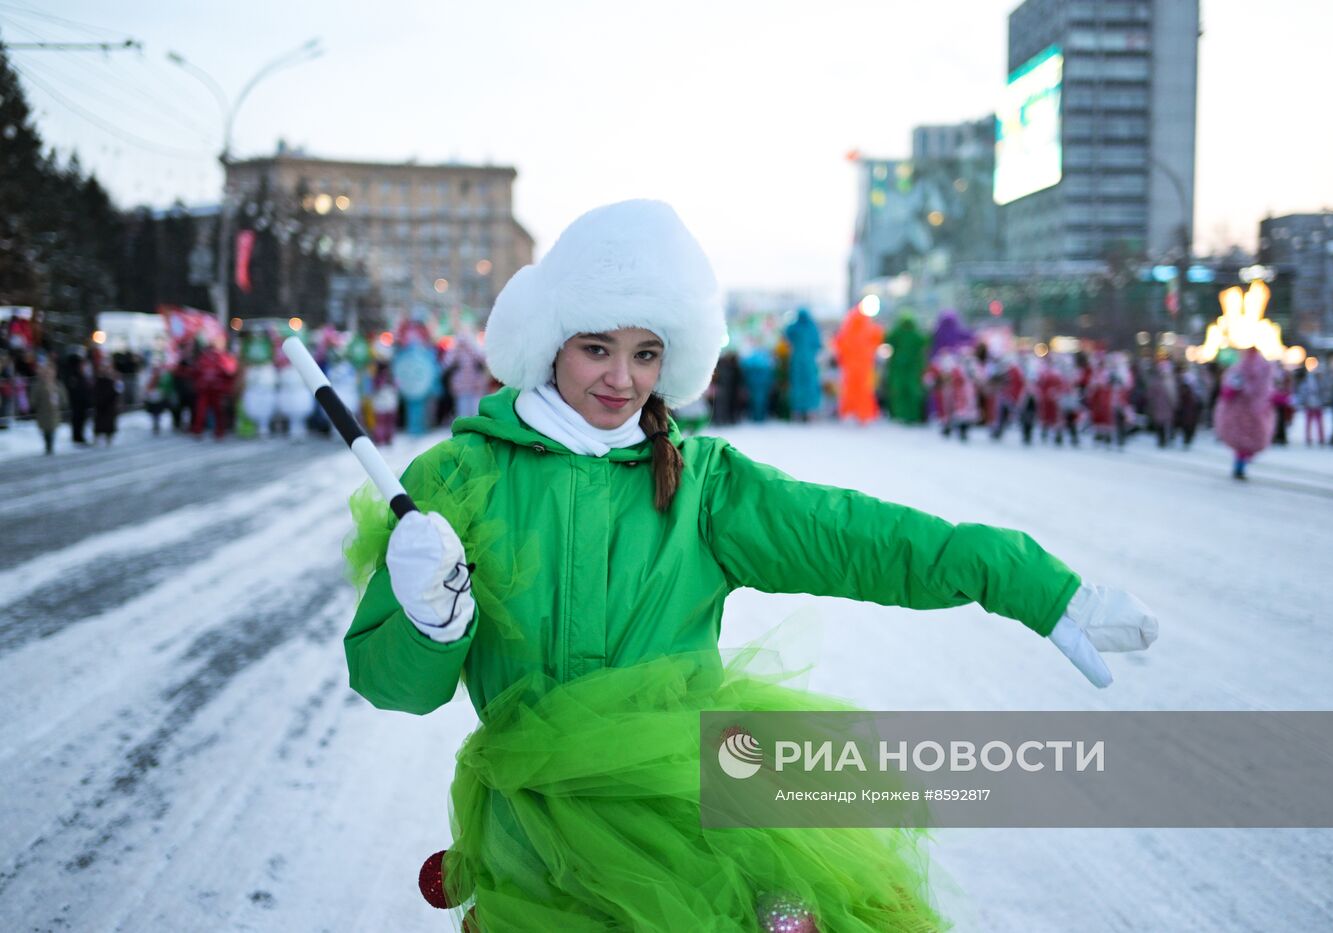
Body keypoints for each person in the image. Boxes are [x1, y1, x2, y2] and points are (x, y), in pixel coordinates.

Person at [343, 201, 1158, 932]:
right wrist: (429, 618)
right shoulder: (460, 481)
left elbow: (858, 537)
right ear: (551, 339)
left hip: (687, 825)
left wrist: (1030, 583)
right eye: (597, 347)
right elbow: (394, 685)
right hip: (534, 850)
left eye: (646, 352)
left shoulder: (703, 487)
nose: (621, 379)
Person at [1213, 347, 1277, 480]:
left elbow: (1266, 392)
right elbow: (1229, 391)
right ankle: (1240, 466)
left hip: (1252, 413)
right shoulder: (1241, 371)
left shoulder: (1256, 371)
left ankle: (1241, 465)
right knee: (1244, 443)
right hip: (1244, 413)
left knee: (1248, 443)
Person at [31, 359, 66, 455]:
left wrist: (62, 402)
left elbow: (63, 397)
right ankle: (48, 445)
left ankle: (50, 446)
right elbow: (34, 398)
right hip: (43, 412)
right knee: (45, 430)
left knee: (52, 429)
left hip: (54, 412)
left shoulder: (57, 384)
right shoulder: (39, 385)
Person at [92, 359, 122, 446]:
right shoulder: (98, 380)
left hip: (109, 407)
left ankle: (108, 438)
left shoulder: (112, 380)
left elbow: (117, 392)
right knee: (100, 423)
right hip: (100, 406)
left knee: (108, 424)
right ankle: (97, 438)